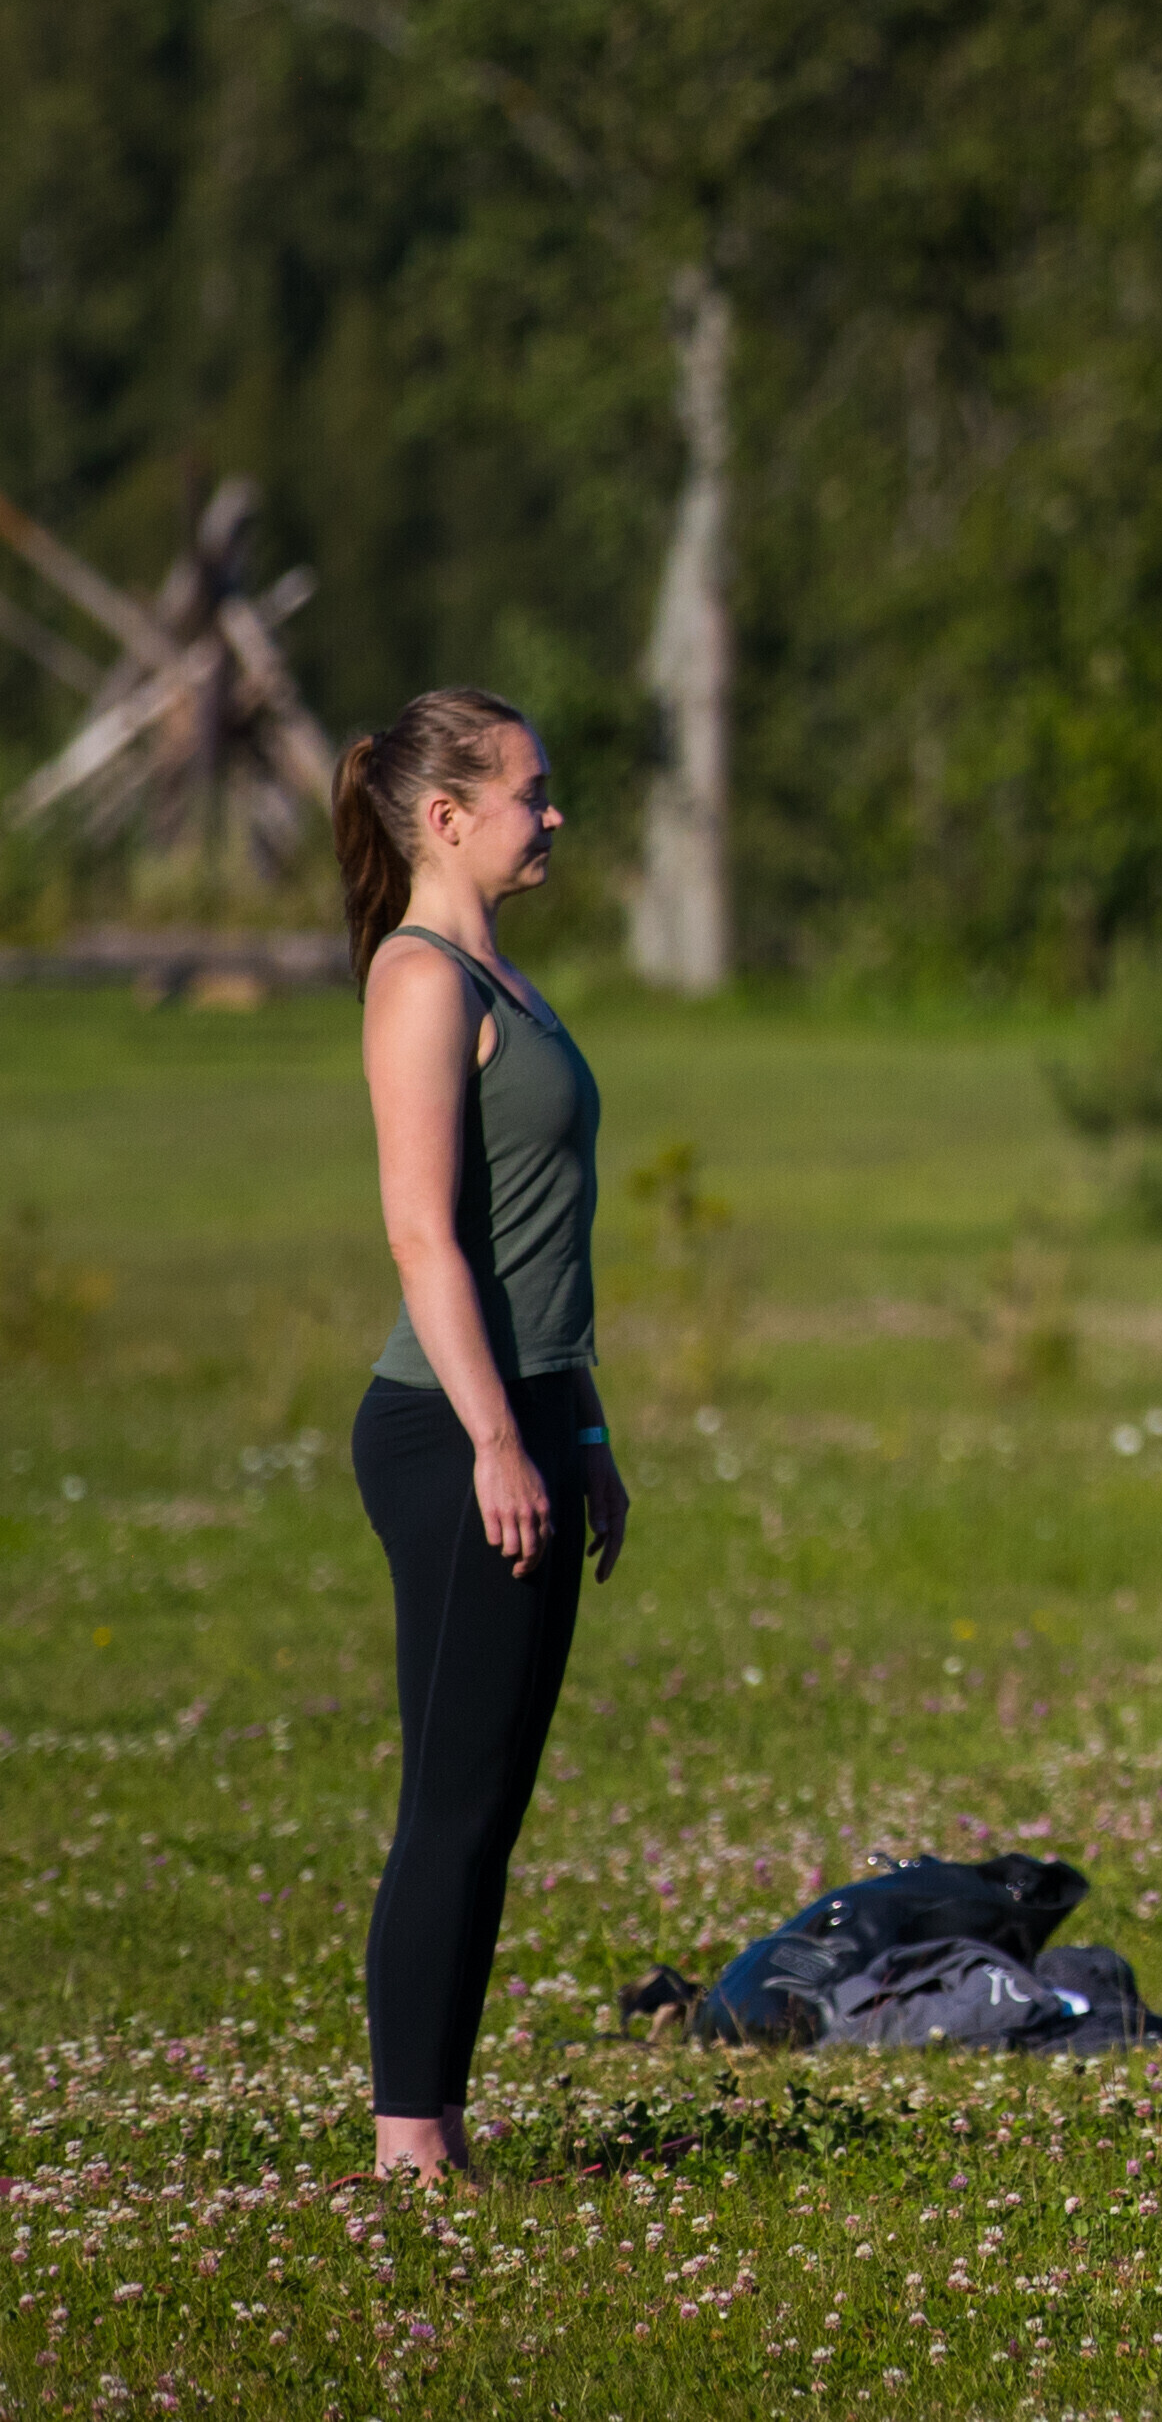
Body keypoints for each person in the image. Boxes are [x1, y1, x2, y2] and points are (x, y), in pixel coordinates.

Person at [333, 689, 629, 2185]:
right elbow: (423, 1236)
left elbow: (542, 1249)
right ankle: (409, 2143)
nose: (553, 813)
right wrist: (498, 1442)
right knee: (451, 1803)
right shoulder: (420, 980)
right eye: (532, 791)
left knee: (491, 1799)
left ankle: (437, 2124)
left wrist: (583, 1426)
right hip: (451, 1431)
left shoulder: (503, 975)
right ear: (446, 818)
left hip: (526, 1413)